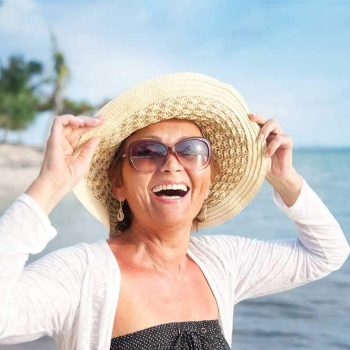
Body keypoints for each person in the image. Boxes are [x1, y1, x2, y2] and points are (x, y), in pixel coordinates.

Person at [0, 72, 348, 350]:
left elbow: (327, 253)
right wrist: (49, 186)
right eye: (148, 151)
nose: (171, 164)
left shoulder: (223, 262)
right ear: (117, 184)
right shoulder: (82, 274)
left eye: (191, 150)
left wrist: (285, 181)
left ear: (209, 179)